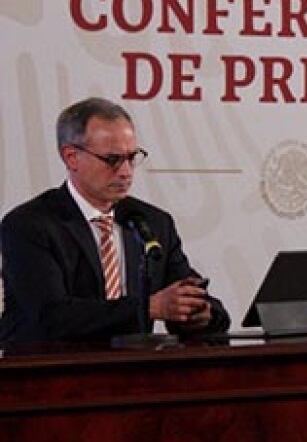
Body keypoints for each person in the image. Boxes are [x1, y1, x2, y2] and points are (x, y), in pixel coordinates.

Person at [0, 97, 229, 344]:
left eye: (132, 157)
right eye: (112, 160)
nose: (126, 172)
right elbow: (53, 316)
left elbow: (197, 301)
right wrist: (148, 308)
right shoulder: (29, 225)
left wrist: (199, 313)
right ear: (71, 157)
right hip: (46, 374)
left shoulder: (150, 222)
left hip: (133, 374)